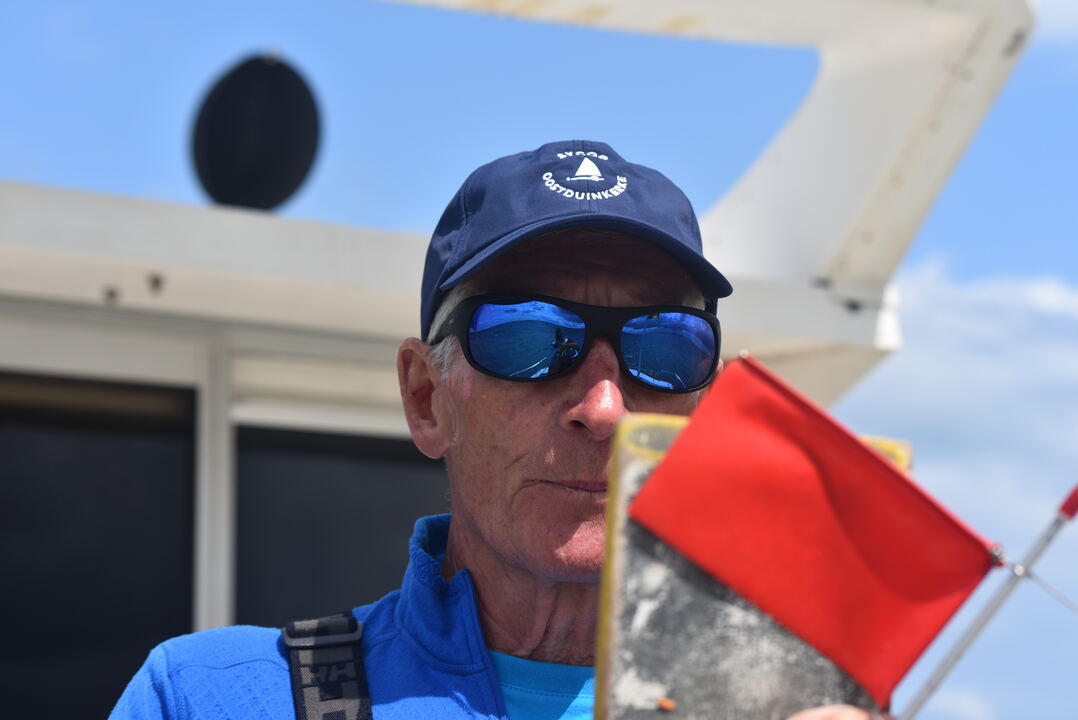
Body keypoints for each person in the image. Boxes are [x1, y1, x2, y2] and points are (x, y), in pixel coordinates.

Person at [111, 141, 877, 720]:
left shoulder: (802, 703)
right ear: (426, 398)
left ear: (708, 413)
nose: (604, 407)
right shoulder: (212, 699)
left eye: (665, 346)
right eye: (527, 337)